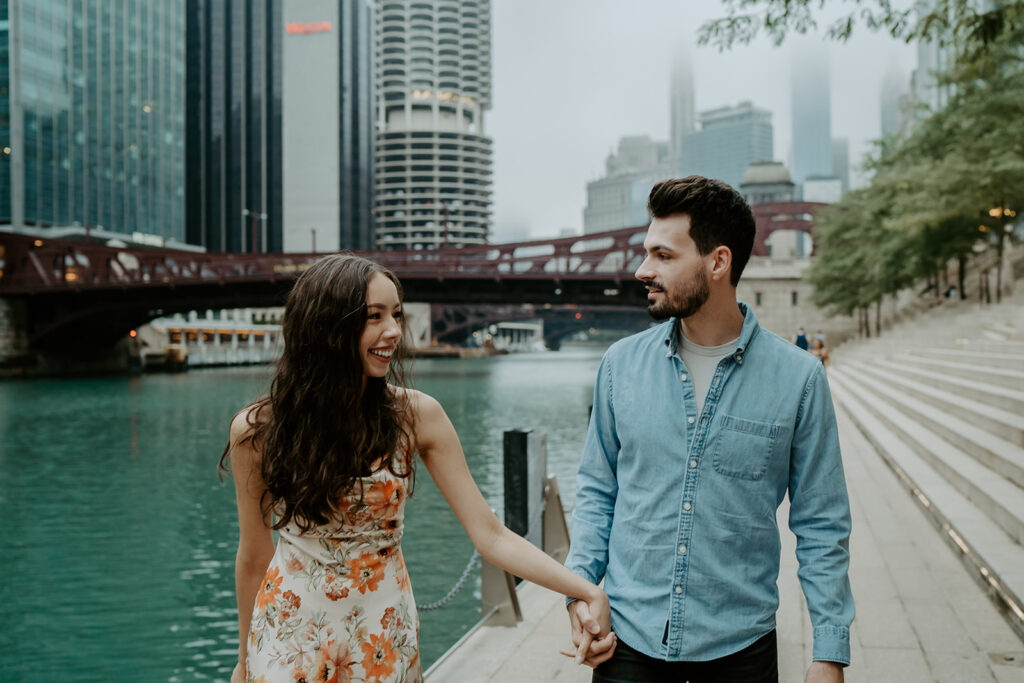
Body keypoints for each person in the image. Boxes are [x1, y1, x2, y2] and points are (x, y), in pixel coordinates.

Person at [222, 254, 611, 683]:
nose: (394, 331)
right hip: (286, 639)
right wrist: (244, 659)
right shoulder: (256, 431)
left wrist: (584, 589)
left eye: (397, 314)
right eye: (375, 316)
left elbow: (491, 536)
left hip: (382, 639)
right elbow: (254, 557)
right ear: (326, 327)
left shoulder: (417, 416)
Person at [563, 176, 854, 682]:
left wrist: (828, 653)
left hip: (741, 651)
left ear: (718, 262)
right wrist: (581, 593)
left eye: (663, 255)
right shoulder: (619, 366)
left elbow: (822, 522)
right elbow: (596, 490)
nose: (642, 270)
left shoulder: (800, 379)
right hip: (627, 647)